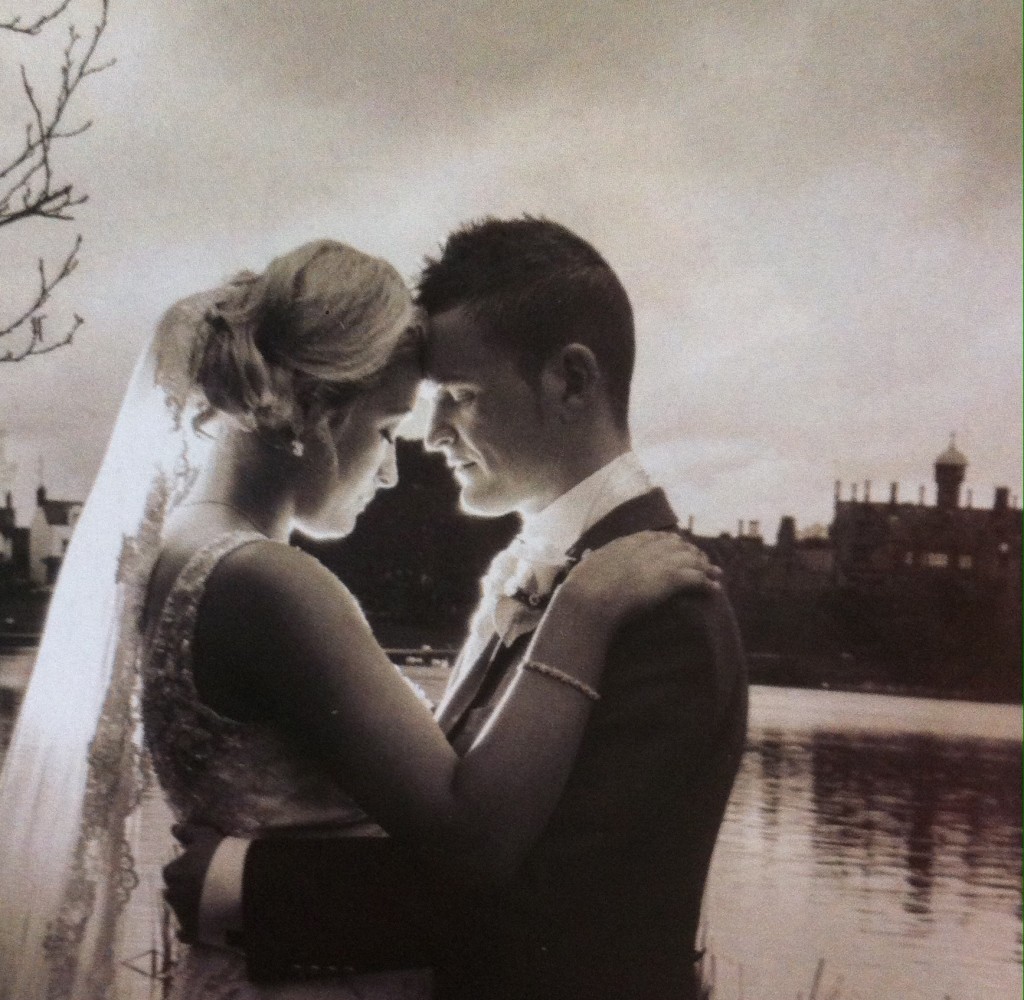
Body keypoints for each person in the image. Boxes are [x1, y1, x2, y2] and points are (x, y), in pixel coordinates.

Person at [0, 237, 717, 1000]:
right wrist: (581, 613)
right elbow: (469, 838)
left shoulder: (174, 544)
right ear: (318, 410)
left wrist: (240, 882)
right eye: (386, 430)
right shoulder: (269, 582)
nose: (395, 469)